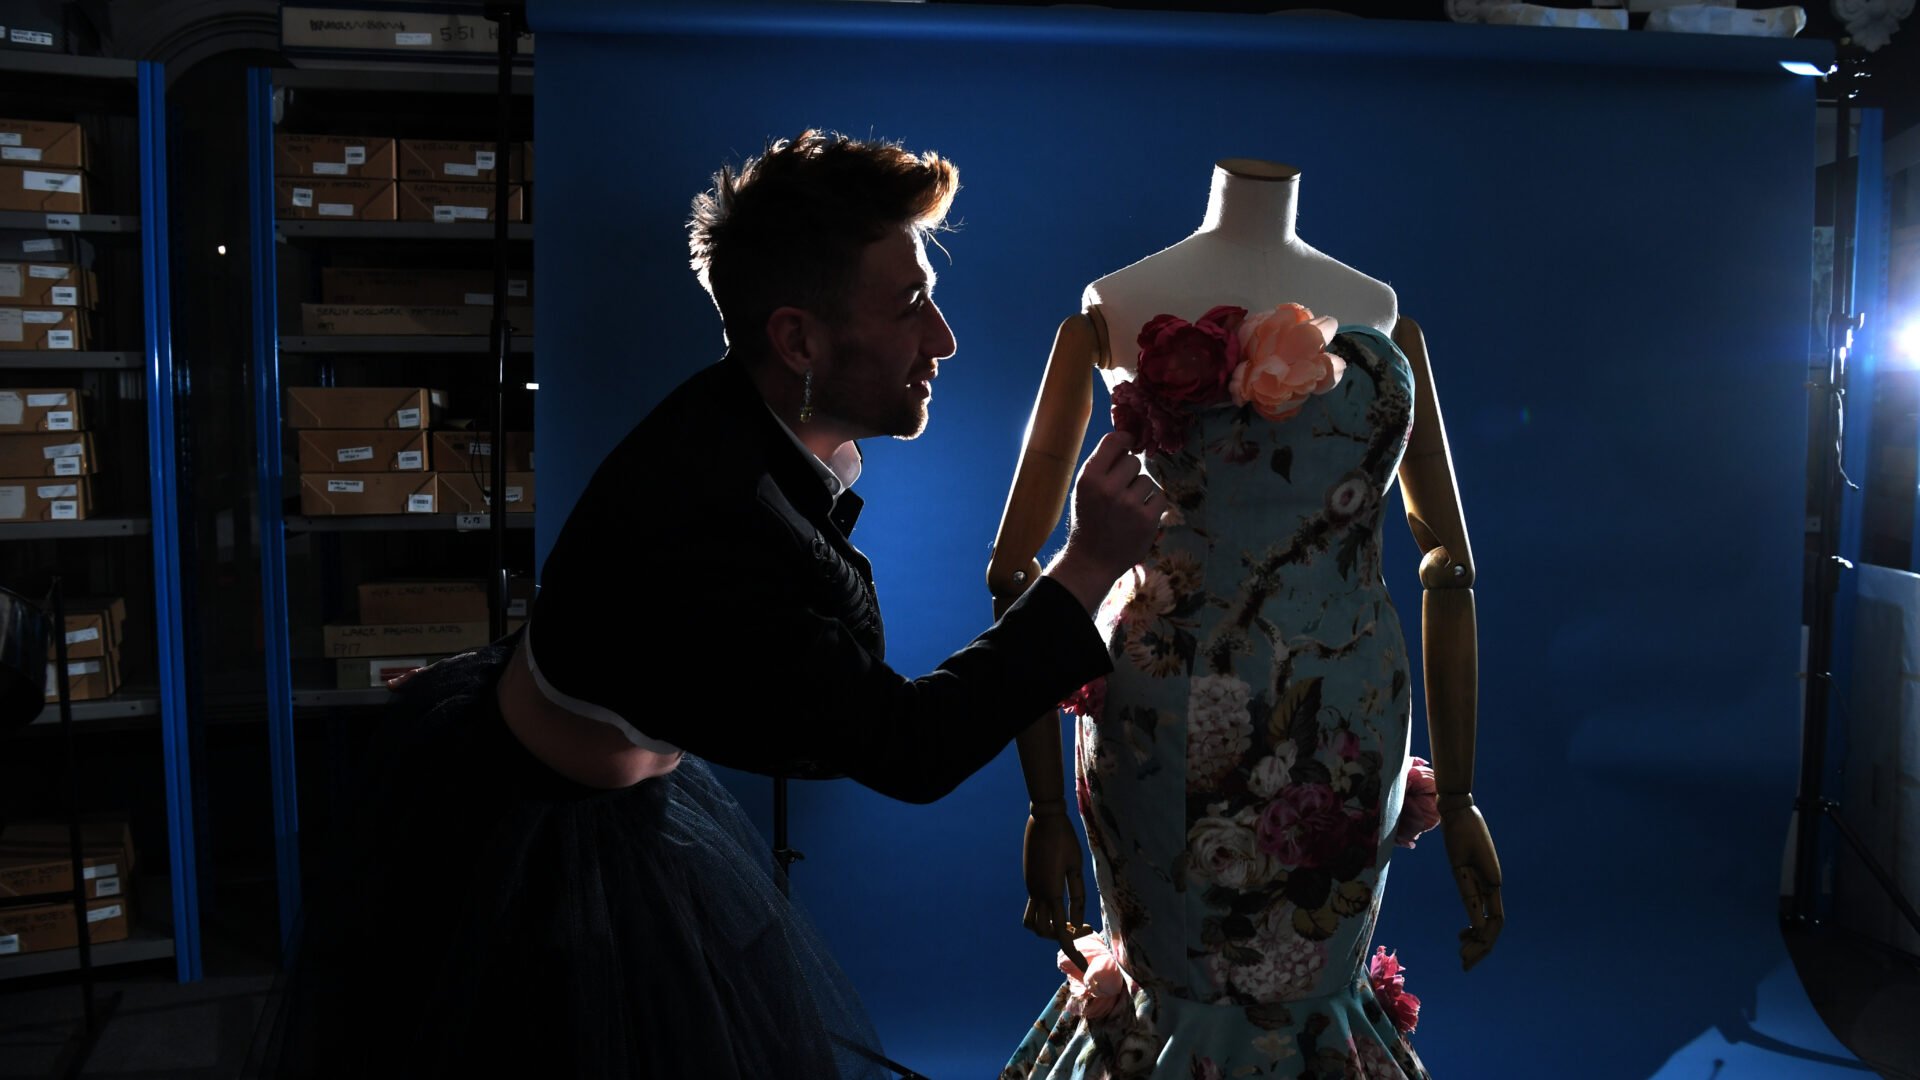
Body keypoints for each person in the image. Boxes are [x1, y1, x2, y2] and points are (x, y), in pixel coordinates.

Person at [269, 130, 1166, 1079]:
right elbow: (910, 746)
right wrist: (1088, 567)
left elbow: (620, 592)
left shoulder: (745, 422)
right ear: (797, 339)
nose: (943, 338)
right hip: (530, 834)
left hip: (587, 771)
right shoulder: (717, 522)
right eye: (910, 305)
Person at [988, 159, 1504, 1080]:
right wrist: (1459, 798)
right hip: (1290, 700)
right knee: (1174, 960)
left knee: (1304, 964)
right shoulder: (1118, 304)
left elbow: (1014, 571)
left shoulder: (1380, 310)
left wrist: (1040, 809)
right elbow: (1450, 568)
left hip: (1269, 706)